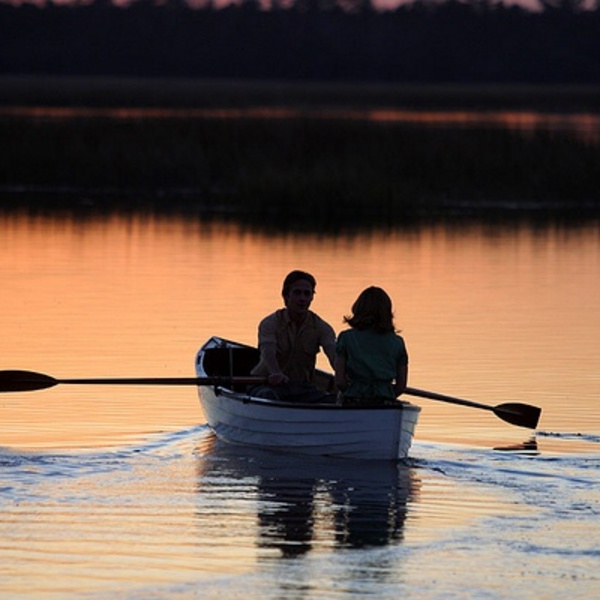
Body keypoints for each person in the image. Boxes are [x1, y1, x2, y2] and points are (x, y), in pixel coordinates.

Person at [250, 270, 336, 402]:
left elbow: (333, 354)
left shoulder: (322, 327)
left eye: (307, 294)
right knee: (267, 396)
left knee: (334, 400)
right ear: (286, 296)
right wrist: (275, 373)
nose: (302, 298)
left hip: (303, 388)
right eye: (297, 293)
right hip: (266, 384)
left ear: (312, 297)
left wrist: (345, 377)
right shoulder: (270, 323)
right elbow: (268, 352)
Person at [335, 286, 408, 406]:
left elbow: (340, 382)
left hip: (354, 399)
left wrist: (351, 392)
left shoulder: (346, 338)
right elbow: (401, 386)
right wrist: (388, 394)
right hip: (385, 400)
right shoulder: (398, 342)